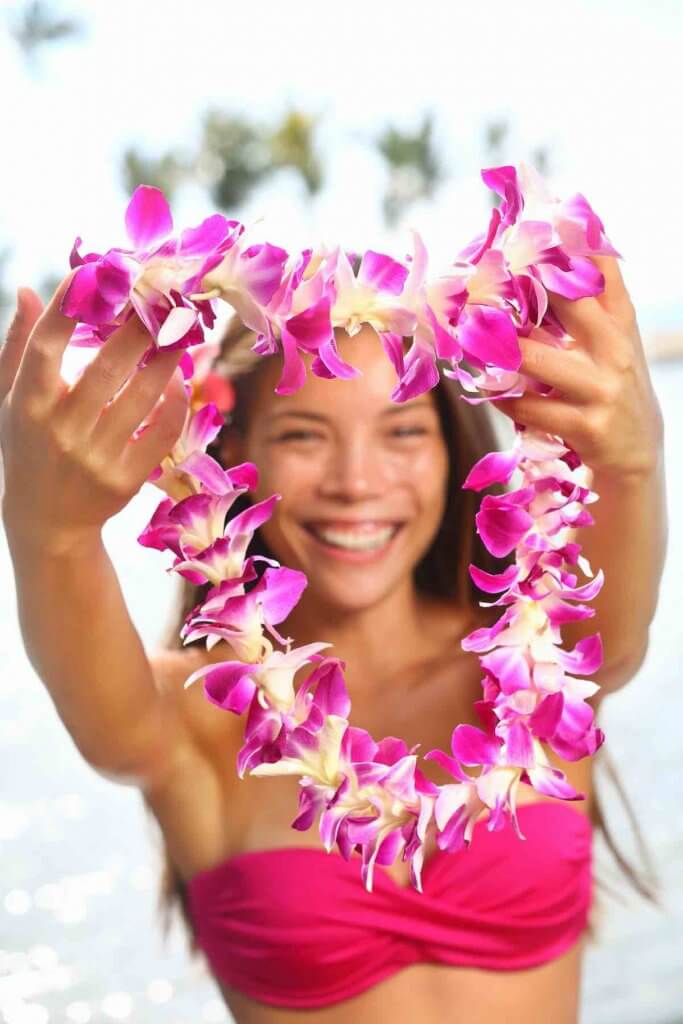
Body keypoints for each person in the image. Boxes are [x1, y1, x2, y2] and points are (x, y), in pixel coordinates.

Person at [0, 256, 667, 1024]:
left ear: (453, 448)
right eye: (304, 433)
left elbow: (616, 641)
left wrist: (634, 458)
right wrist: (50, 532)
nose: (357, 481)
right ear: (235, 454)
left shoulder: (540, 663)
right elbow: (107, 728)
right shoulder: (194, 718)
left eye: (403, 429)